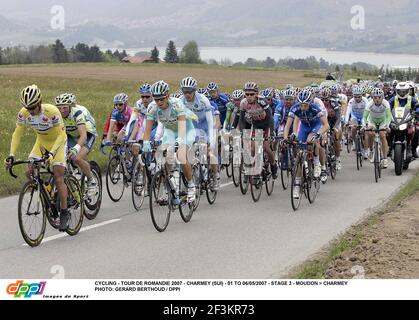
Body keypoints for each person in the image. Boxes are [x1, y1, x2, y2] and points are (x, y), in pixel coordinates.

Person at [5, 85, 69, 231]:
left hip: (57, 143)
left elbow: (61, 135)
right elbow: (17, 133)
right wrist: (11, 154)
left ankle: (64, 212)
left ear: (39, 103)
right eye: (28, 108)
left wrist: (52, 154)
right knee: (29, 172)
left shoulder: (52, 111)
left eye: (33, 107)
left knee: (59, 177)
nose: (30, 111)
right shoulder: (24, 113)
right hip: (41, 142)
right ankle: (46, 189)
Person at [142, 81, 198, 203]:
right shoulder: (152, 107)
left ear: (168, 95)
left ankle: (191, 185)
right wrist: (146, 142)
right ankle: (170, 189)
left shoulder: (177, 104)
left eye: (161, 99)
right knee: (165, 158)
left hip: (186, 130)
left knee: (181, 156)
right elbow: (147, 129)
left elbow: (183, 126)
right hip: (170, 131)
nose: (159, 102)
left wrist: (180, 141)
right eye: (156, 100)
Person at [284, 90, 330, 198]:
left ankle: (317, 162)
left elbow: (326, 125)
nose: (303, 107)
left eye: (305, 105)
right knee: (299, 153)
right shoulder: (295, 108)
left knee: (311, 140)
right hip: (304, 128)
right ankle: (297, 184)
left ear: (310, 103)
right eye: (301, 105)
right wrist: (286, 138)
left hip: (316, 126)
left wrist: (319, 134)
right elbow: (287, 126)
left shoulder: (315, 108)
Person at [179, 77, 220, 190]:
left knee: (209, 153)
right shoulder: (181, 100)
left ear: (195, 90)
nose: (187, 94)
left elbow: (211, 123)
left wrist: (211, 143)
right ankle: (193, 177)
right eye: (184, 91)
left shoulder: (203, 100)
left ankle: (215, 175)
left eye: (190, 92)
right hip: (192, 127)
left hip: (205, 126)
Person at [55, 93, 98, 196]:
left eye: (65, 107)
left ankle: (92, 181)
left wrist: (76, 149)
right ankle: (74, 173)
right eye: (59, 108)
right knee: (62, 158)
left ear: (70, 106)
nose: (62, 110)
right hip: (71, 134)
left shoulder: (77, 113)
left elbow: (83, 136)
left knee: (77, 158)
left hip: (87, 134)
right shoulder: (57, 115)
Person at [239, 82, 278, 179]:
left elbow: (270, 117)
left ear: (256, 94)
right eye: (247, 94)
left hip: (267, 125)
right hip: (256, 125)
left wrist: (272, 132)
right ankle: (255, 169)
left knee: (266, 147)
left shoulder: (262, 101)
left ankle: (273, 166)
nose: (249, 96)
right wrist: (242, 132)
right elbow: (242, 119)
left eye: (252, 94)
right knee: (252, 148)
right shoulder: (243, 103)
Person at [363, 88, 392, 169]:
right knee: (370, 133)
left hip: (383, 121)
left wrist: (386, 125)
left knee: (382, 135)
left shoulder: (385, 103)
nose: (377, 99)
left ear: (382, 97)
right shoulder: (370, 104)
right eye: (375, 97)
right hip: (372, 121)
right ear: (372, 98)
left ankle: (385, 158)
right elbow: (365, 117)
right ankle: (371, 150)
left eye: (379, 97)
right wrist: (365, 125)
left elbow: (389, 116)